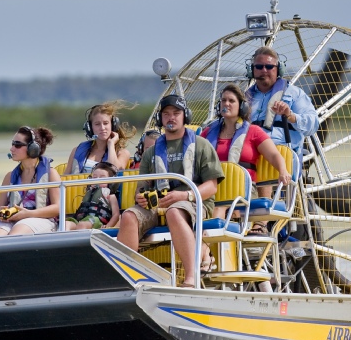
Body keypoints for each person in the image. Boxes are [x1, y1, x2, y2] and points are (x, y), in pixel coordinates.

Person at [117, 94, 224, 288]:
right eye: (166, 114)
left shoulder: (202, 145)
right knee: (129, 216)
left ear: (186, 117)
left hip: (193, 202)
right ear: (160, 119)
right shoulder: (150, 152)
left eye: (176, 113)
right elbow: (142, 188)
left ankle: (191, 277)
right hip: (157, 205)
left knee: (174, 211)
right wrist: (141, 198)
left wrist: (185, 195)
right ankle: (128, 279)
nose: (171, 117)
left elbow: (211, 186)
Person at [201, 83, 290, 221]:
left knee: (219, 207)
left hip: (242, 188)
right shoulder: (208, 132)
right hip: (213, 187)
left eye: (231, 101)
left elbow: (274, 155)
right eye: (223, 100)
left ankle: (211, 238)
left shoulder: (253, 132)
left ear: (242, 106)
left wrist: (283, 170)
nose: (226, 104)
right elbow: (193, 154)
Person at [0, 126, 61, 237]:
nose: (12, 149)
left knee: (17, 234)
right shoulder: (9, 176)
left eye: (17, 145)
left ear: (33, 148)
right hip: (12, 219)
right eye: (12, 144)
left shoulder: (51, 174)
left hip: (41, 219)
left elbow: (57, 208)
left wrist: (28, 214)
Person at [246, 46, 319, 155]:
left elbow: (313, 125)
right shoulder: (243, 99)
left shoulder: (294, 94)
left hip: (283, 153)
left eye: (269, 66)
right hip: (250, 153)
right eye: (259, 66)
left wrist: (290, 115)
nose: (264, 70)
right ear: (252, 70)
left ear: (279, 69)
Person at [66, 100, 136, 174]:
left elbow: (115, 171)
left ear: (113, 125)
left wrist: (111, 145)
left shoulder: (122, 153)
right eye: (97, 124)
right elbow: (65, 178)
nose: (102, 128)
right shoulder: (76, 150)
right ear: (89, 127)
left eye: (106, 123)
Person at [65, 162, 120, 230]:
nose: (97, 179)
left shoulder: (110, 196)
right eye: (94, 177)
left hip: (96, 221)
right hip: (80, 220)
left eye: (102, 178)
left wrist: (107, 227)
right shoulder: (89, 193)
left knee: (82, 225)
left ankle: (80, 240)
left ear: (110, 182)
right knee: (66, 224)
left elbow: (116, 215)